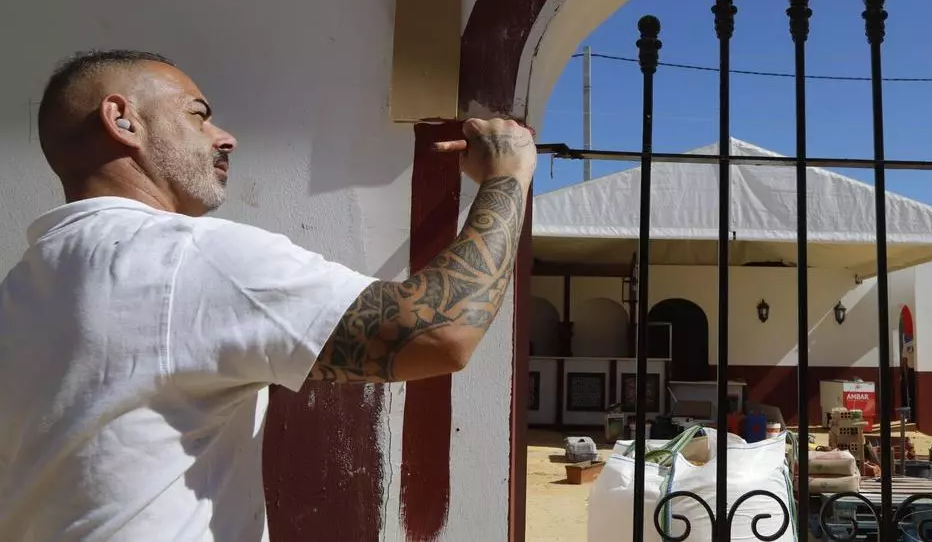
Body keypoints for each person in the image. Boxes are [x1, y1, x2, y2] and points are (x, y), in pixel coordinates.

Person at [0, 50, 536, 541]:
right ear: (123, 121)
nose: (224, 137)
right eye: (198, 116)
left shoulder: (22, 285)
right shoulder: (188, 256)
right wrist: (507, 175)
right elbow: (440, 333)